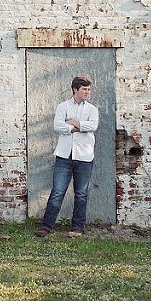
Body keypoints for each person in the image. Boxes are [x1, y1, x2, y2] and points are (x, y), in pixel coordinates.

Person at [36, 76, 99, 238]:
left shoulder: (92, 109)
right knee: (57, 191)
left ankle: (77, 228)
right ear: (75, 89)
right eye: (84, 89)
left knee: (81, 193)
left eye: (88, 89)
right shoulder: (63, 106)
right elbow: (58, 125)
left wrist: (75, 123)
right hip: (64, 156)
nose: (87, 92)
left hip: (85, 157)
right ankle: (46, 226)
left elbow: (93, 125)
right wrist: (77, 128)